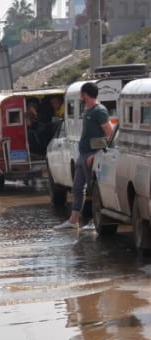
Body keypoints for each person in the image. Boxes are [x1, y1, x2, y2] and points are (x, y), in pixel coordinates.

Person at [57, 81, 115, 230]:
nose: (81, 97)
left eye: (81, 94)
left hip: (92, 156)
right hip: (82, 154)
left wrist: (97, 154)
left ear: (85, 95)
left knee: (93, 189)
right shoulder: (88, 110)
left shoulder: (99, 111)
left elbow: (110, 134)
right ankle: (73, 220)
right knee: (77, 188)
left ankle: (94, 221)